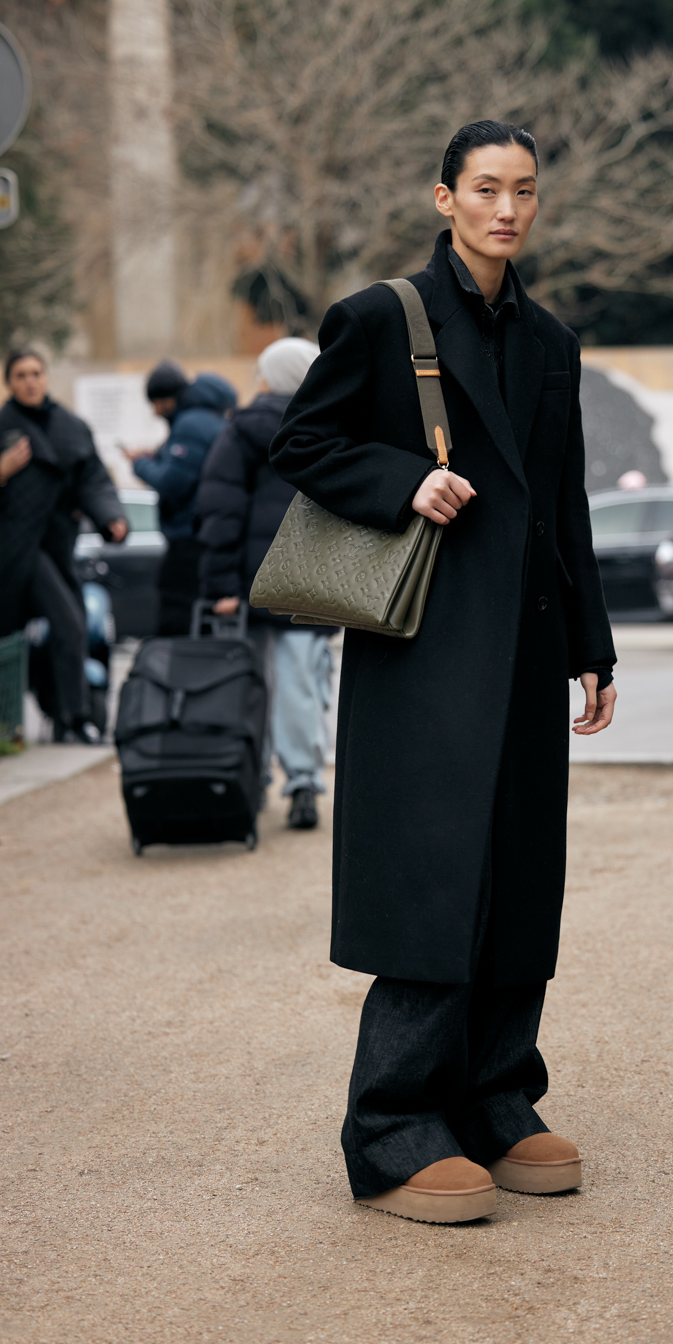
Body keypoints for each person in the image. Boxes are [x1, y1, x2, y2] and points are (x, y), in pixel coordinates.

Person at [270, 119, 617, 1224]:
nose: (506, 208)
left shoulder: (552, 340)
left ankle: (498, 1096)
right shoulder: (381, 318)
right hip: (421, 651)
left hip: (522, 648)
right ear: (443, 197)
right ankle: (392, 1125)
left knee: (520, 872)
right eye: (484, 188)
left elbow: (564, 503)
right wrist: (400, 480)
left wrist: (591, 643)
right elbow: (304, 446)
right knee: (429, 876)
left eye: (523, 190)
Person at [196, 337, 337, 831]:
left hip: (253, 584)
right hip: (311, 583)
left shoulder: (242, 431)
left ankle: (251, 780)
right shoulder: (332, 426)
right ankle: (302, 784)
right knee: (303, 684)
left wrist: (219, 587)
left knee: (251, 686)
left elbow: (220, 512)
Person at [0, 347, 128, 742]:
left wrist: (112, 518)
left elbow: (93, 479)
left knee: (68, 627)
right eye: (21, 375)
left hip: (59, 548)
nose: (30, 381)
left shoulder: (71, 426)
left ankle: (69, 719)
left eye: (36, 373)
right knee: (55, 628)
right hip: (13, 553)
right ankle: (55, 721)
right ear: (9, 383)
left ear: (46, 377)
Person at [122, 362, 236, 635]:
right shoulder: (208, 418)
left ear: (166, 399)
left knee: (177, 616)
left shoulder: (190, 425)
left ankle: (176, 672)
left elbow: (173, 483)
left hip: (190, 537)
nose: (154, 411)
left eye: (155, 403)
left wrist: (139, 464)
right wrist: (160, 456)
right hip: (209, 534)